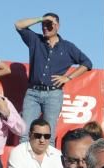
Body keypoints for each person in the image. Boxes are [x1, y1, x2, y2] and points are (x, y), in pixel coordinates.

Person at [14, 13, 92, 144]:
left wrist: (68, 78)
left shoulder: (67, 47)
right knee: (25, 133)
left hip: (54, 94)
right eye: (43, 24)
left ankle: (47, 164)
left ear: (57, 26)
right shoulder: (35, 40)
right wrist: (40, 18)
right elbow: (18, 25)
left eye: (49, 24)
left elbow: (87, 63)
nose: (45, 27)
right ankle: (24, 164)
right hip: (32, 93)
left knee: (48, 135)